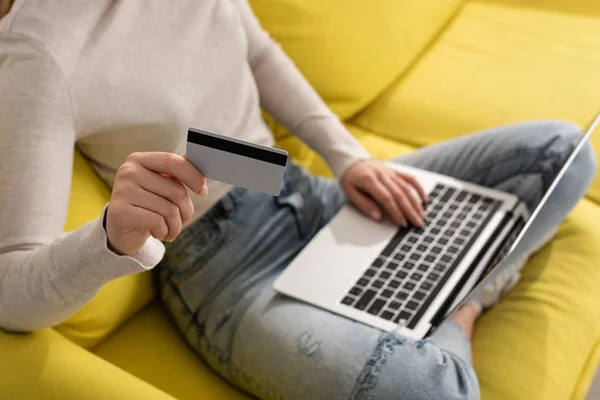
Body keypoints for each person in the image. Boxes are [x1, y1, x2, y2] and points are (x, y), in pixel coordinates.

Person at [0, 1, 596, 399]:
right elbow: (11, 288)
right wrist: (109, 239)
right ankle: (464, 299)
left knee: (561, 153)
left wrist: (351, 158)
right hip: (225, 270)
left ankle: (432, 292)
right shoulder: (38, 53)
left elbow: (256, 50)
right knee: (429, 390)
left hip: (308, 193)